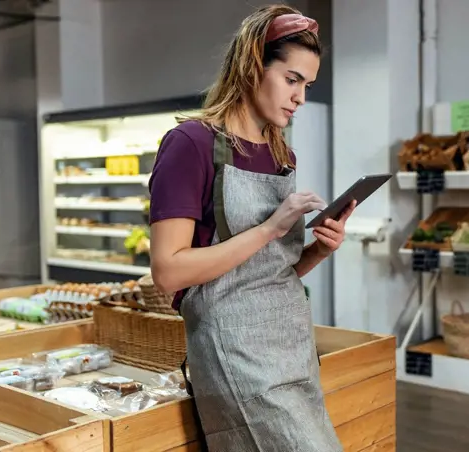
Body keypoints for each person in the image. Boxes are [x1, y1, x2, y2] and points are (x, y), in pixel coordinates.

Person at [148, 4, 353, 452]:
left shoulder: (281, 154)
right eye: (292, 79)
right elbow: (168, 271)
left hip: (292, 343)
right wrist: (270, 228)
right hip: (235, 353)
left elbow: (264, 273)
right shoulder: (191, 145)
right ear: (252, 65)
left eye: (308, 85)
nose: (300, 97)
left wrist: (317, 250)